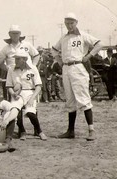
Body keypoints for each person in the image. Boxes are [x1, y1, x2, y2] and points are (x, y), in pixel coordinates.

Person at [52, 12, 103, 141]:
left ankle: (91, 130)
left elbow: (99, 44)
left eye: (71, 23)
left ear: (76, 23)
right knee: (69, 100)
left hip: (78, 67)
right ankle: (70, 131)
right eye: (67, 23)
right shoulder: (63, 38)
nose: (69, 25)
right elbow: (53, 49)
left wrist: (88, 56)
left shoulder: (83, 35)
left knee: (83, 99)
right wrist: (59, 60)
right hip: (66, 68)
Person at [6, 50, 47, 141]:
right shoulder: (11, 69)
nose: (15, 61)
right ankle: (22, 130)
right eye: (15, 59)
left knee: (30, 112)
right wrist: (13, 93)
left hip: (30, 92)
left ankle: (39, 131)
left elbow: (39, 86)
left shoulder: (32, 68)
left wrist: (33, 98)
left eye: (18, 59)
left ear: (24, 59)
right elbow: (8, 86)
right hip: (17, 93)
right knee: (15, 110)